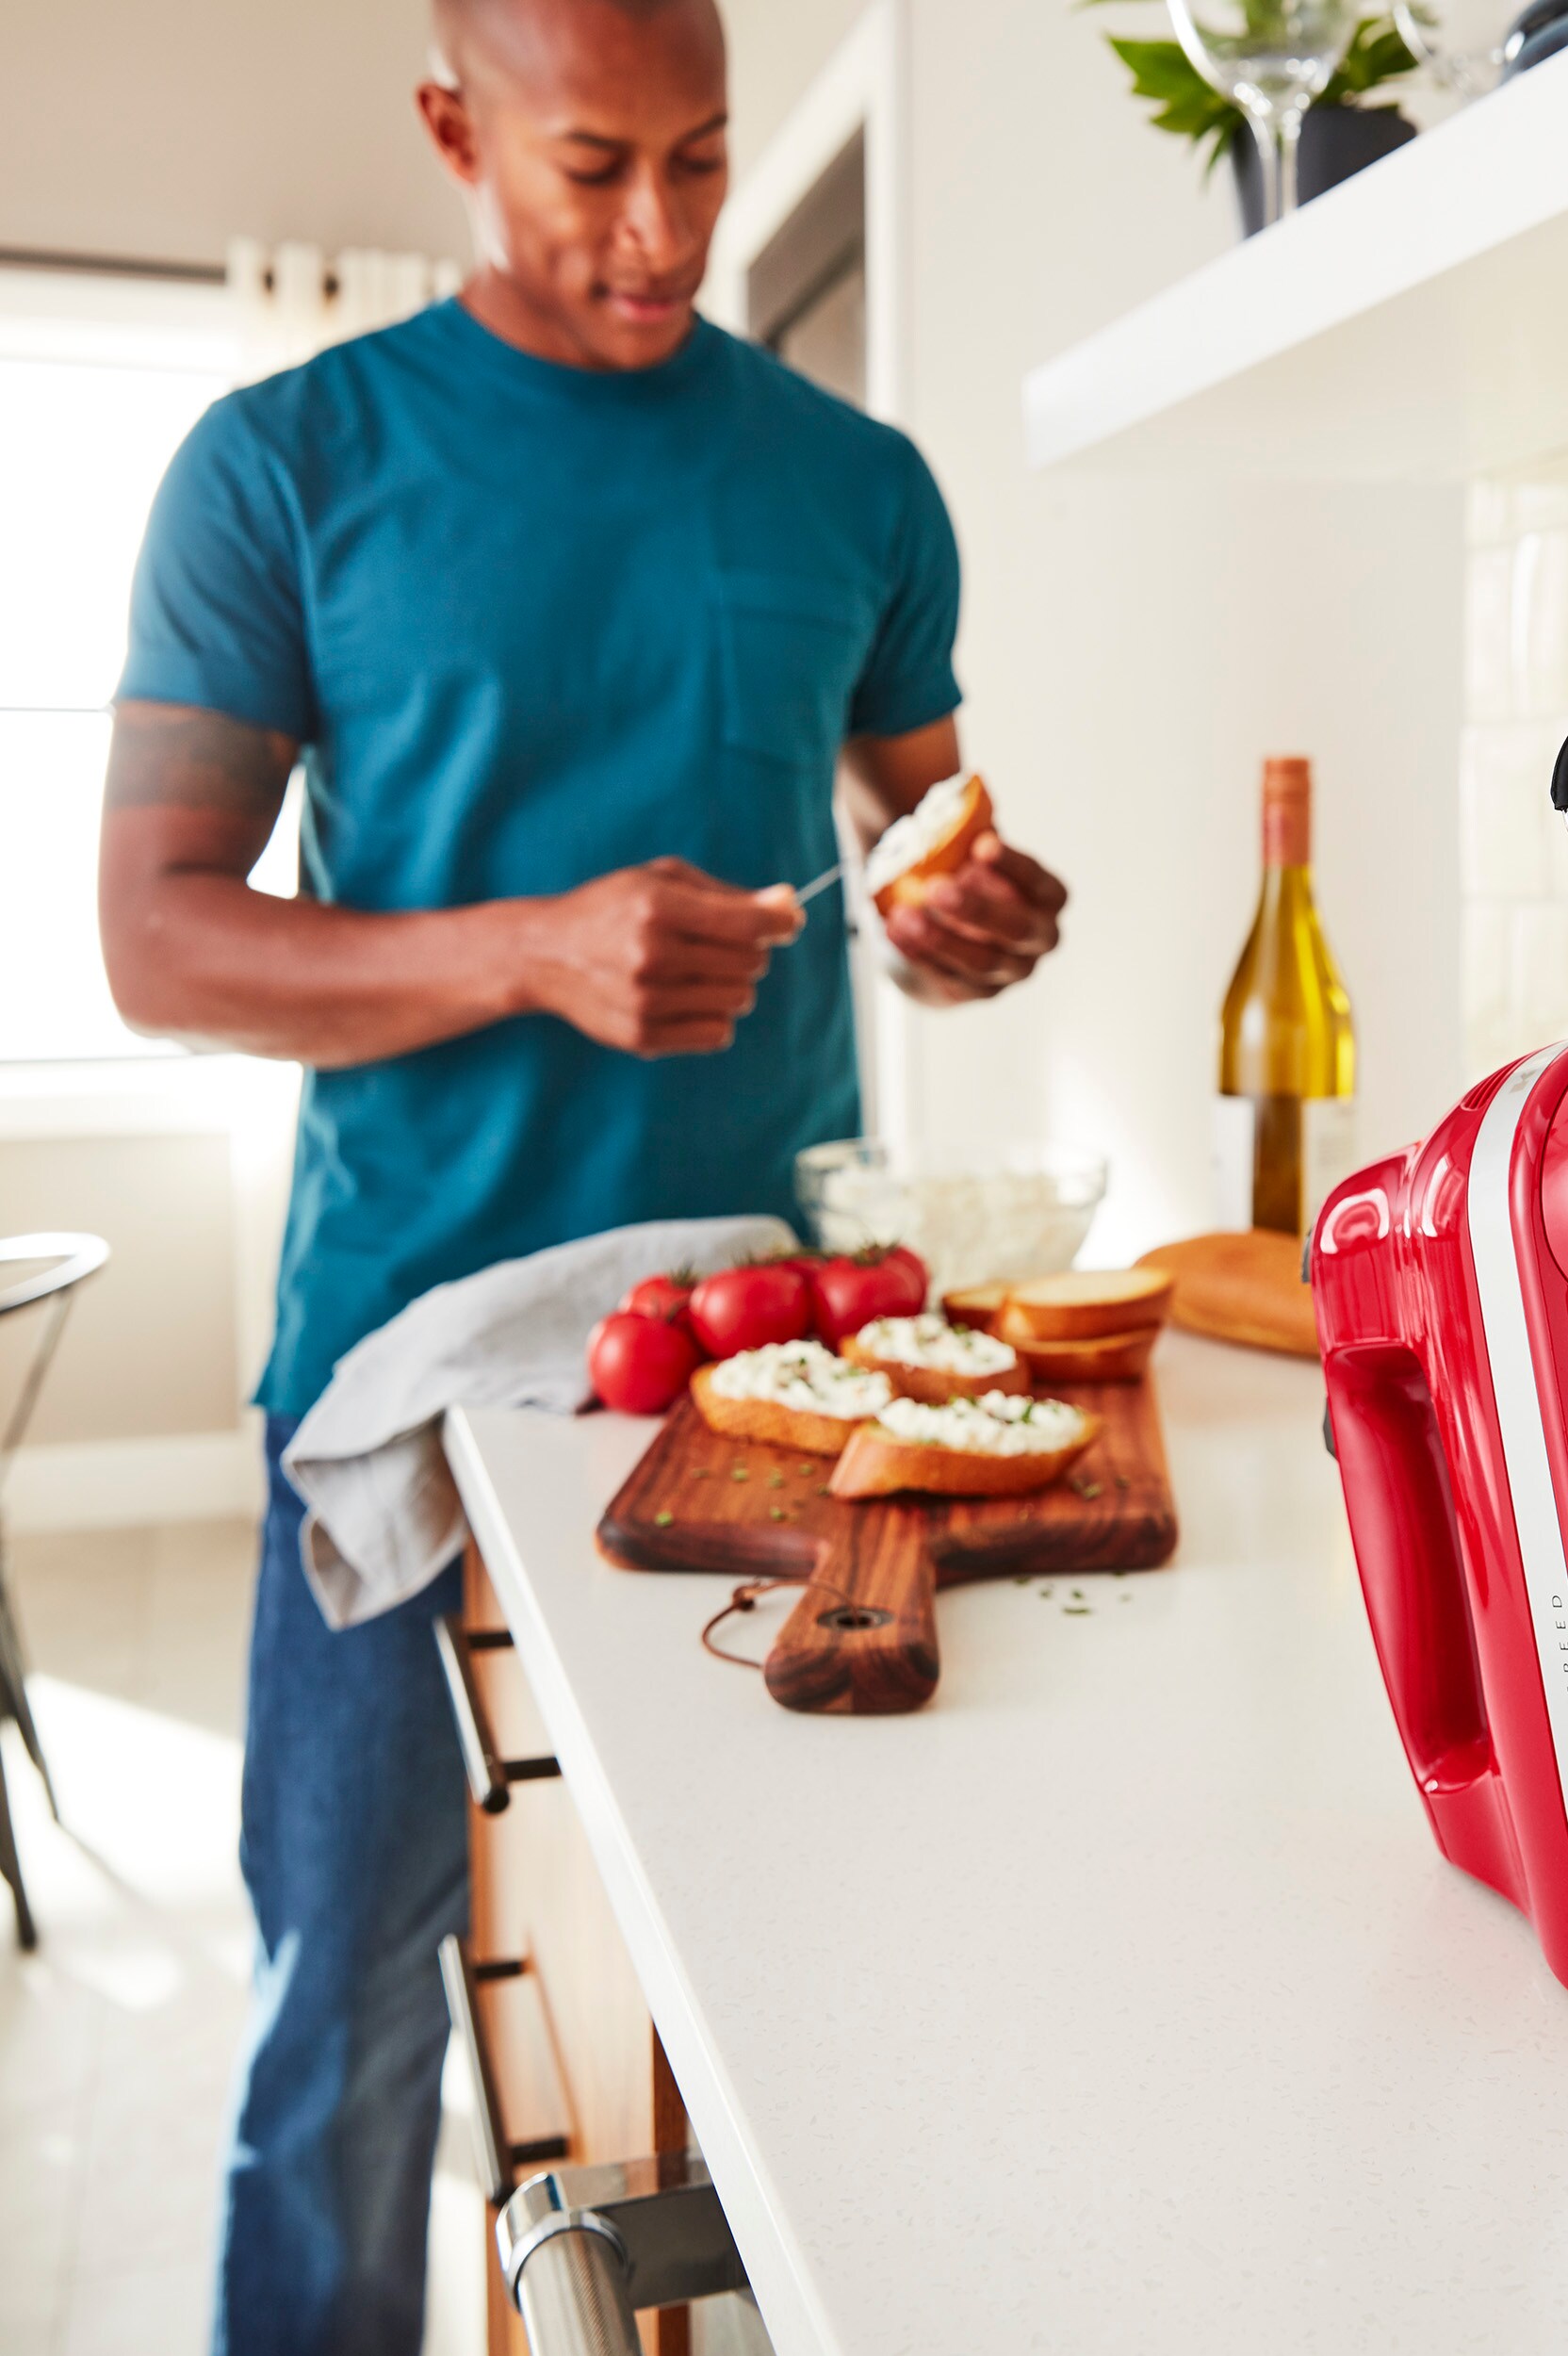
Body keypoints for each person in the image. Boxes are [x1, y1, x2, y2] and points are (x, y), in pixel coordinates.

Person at [98, 0, 1064, 2346]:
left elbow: (919, 853)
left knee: (781, 1998)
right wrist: (531, 947)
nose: (662, 233)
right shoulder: (284, 463)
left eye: (707, 164)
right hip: (397, 1351)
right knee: (346, 2005)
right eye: (593, 166)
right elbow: (155, 938)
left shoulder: (857, 482)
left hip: (762, 1368)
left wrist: (964, 921)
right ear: (451, 129)